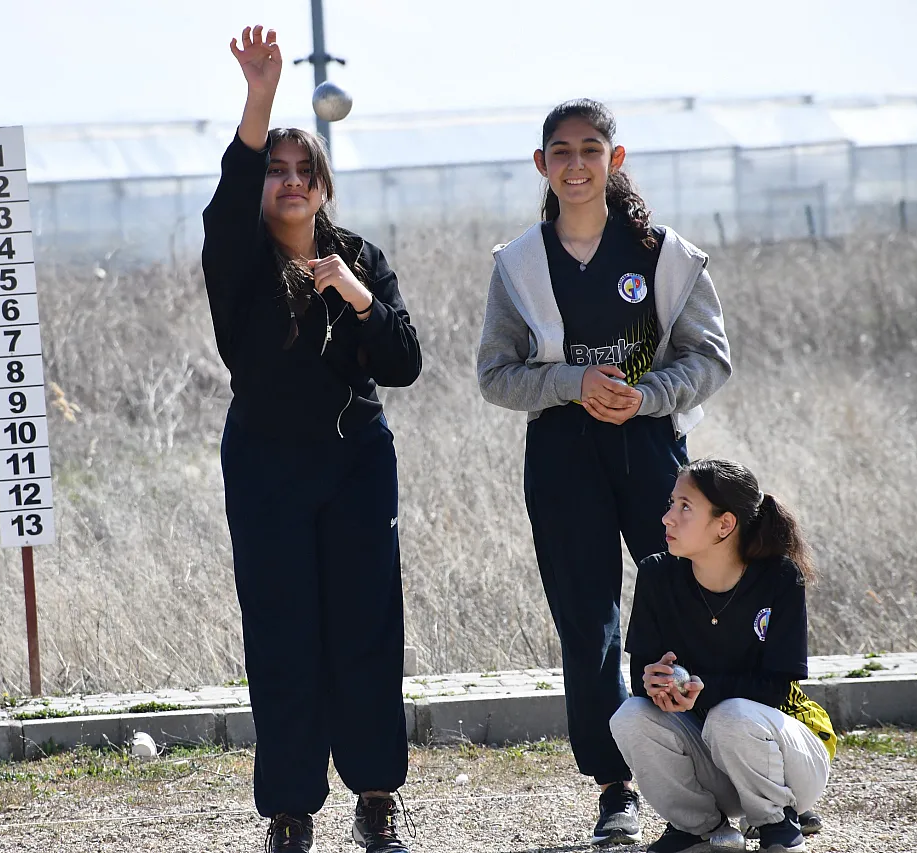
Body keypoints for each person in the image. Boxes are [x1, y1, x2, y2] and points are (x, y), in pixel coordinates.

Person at [476, 99, 732, 845]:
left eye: (591, 149)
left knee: (680, 608)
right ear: (542, 165)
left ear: (615, 160)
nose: (577, 164)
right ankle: (615, 786)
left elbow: (711, 357)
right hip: (562, 456)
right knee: (587, 622)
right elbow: (494, 375)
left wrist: (646, 395)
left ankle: (715, 768)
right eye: (561, 151)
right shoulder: (520, 263)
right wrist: (570, 383)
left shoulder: (665, 256)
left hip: (651, 448)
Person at [201, 26, 422, 853]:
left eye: (305, 170)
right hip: (266, 465)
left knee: (367, 628)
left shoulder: (359, 256)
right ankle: (291, 811)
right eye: (277, 170)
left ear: (324, 187)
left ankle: (376, 797)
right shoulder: (237, 258)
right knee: (283, 634)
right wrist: (260, 97)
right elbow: (228, 200)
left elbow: (404, 363)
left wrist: (361, 298)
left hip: (357, 461)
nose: (291, 181)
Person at [611, 459, 834, 853]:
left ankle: (776, 821)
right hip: (713, 767)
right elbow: (643, 678)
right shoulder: (656, 575)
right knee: (630, 716)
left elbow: (776, 688)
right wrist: (655, 682)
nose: (667, 517)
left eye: (685, 507)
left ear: (725, 524)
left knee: (729, 715)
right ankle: (698, 827)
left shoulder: (780, 577)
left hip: (787, 765)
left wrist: (703, 690)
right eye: (671, 503)